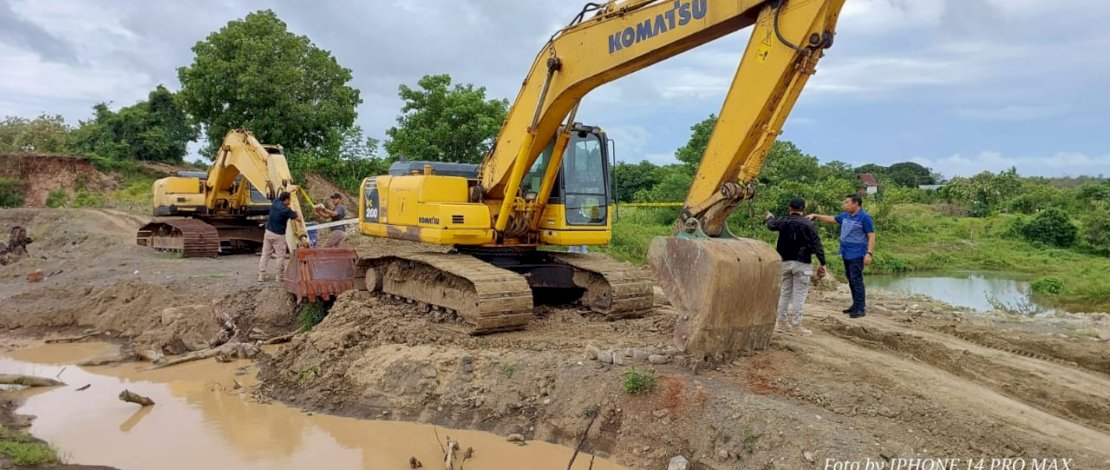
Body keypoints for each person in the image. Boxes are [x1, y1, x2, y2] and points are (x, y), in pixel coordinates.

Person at [766, 197, 828, 335]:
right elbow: (816, 244)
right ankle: (796, 326)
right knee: (799, 295)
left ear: (790, 208)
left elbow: (771, 225)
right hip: (802, 262)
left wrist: (770, 217)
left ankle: (781, 323)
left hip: (784, 261)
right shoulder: (809, 224)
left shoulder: (783, 221)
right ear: (804, 209)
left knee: (785, 293)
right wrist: (822, 263)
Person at [808, 194, 875, 318]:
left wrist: (869, 253)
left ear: (856, 204)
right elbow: (832, 219)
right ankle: (855, 305)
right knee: (850, 279)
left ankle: (860, 308)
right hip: (846, 251)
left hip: (857, 253)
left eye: (847, 202)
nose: (844, 204)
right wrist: (816, 215)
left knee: (857, 280)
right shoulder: (846, 215)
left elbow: (871, 236)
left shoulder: (865, 218)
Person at [258, 191, 301, 282]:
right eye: (290, 199)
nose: (290, 201)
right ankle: (279, 277)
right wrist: (298, 210)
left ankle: (261, 275)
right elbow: (299, 219)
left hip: (268, 232)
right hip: (279, 235)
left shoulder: (275, 202)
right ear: (286, 199)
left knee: (265, 254)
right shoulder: (286, 210)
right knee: (280, 256)